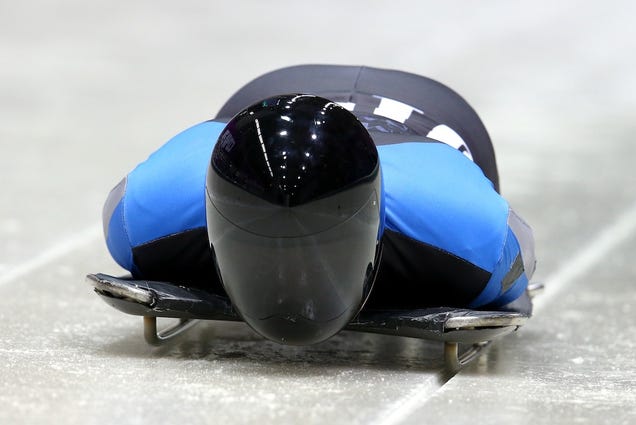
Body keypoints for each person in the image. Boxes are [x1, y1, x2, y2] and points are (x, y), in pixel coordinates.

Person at [102, 65, 536, 345]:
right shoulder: (145, 211)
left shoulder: (466, 227)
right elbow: (518, 266)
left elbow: (516, 252)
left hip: (431, 125)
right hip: (266, 96)